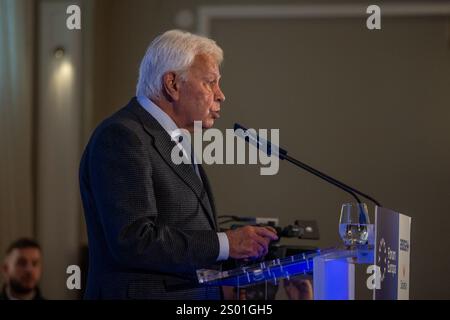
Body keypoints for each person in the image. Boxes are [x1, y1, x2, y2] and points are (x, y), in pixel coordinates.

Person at [79, 29, 278, 300]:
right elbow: (134, 240)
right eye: (210, 82)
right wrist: (226, 244)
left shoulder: (175, 139)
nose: (221, 95)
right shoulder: (122, 136)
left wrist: (241, 254)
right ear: (172, 83)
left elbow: (187, 234)